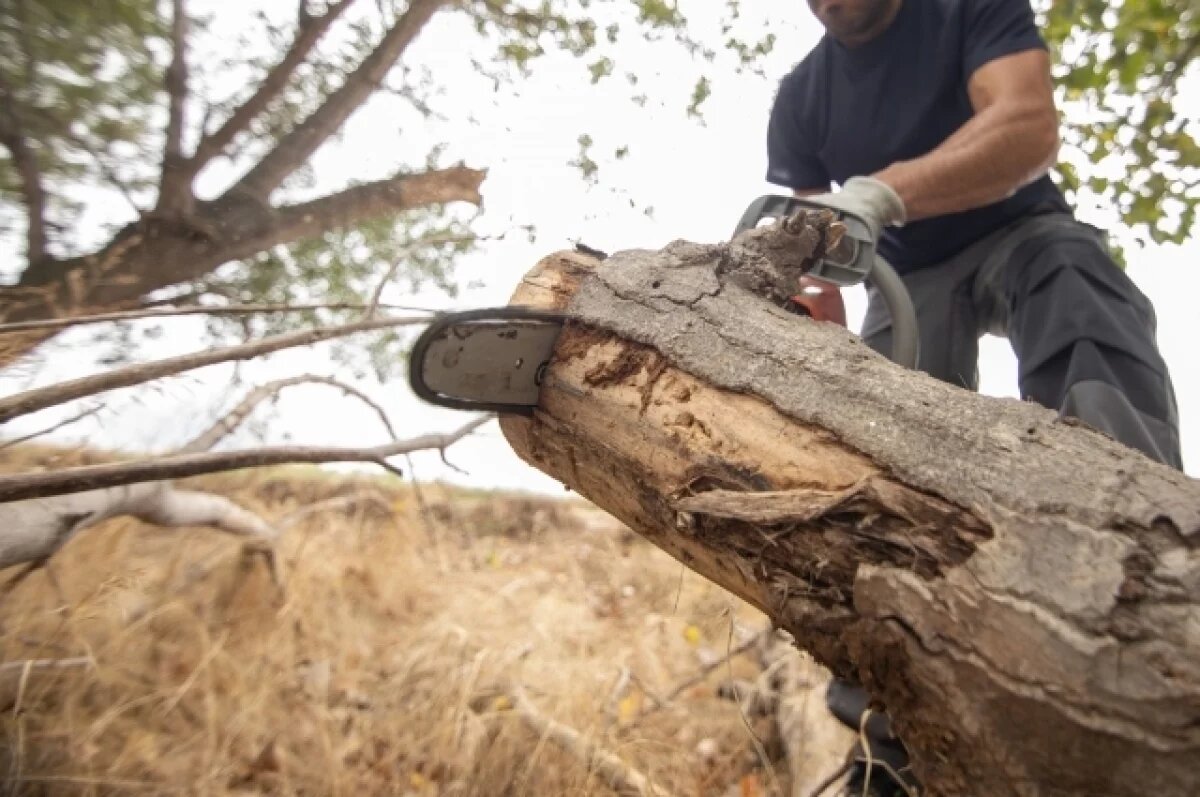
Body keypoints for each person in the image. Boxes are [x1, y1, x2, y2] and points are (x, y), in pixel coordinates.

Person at [763, 0, 1184, 793]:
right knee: (874, 443)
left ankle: (1145, 557)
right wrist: (809, 347)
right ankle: (892, 737)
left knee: (1077, 290)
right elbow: (813, 252)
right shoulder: (800, 99)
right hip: (906, 279)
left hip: (1021, 228)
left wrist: (888, 190)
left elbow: (1027, 125)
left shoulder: (968, 10)